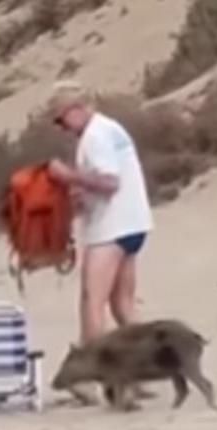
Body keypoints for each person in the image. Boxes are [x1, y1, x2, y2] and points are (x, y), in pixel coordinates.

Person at [44, 82, 153, 348]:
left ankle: (91, 372)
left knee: (92, 300)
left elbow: (109, 182)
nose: (63, 128)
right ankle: (144, 368)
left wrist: (67, 175)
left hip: (111, 228)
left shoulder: (94, 136)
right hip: (134, 222)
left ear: (75, 109)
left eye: (61, 120)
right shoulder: (111, 128)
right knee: (123, 304)